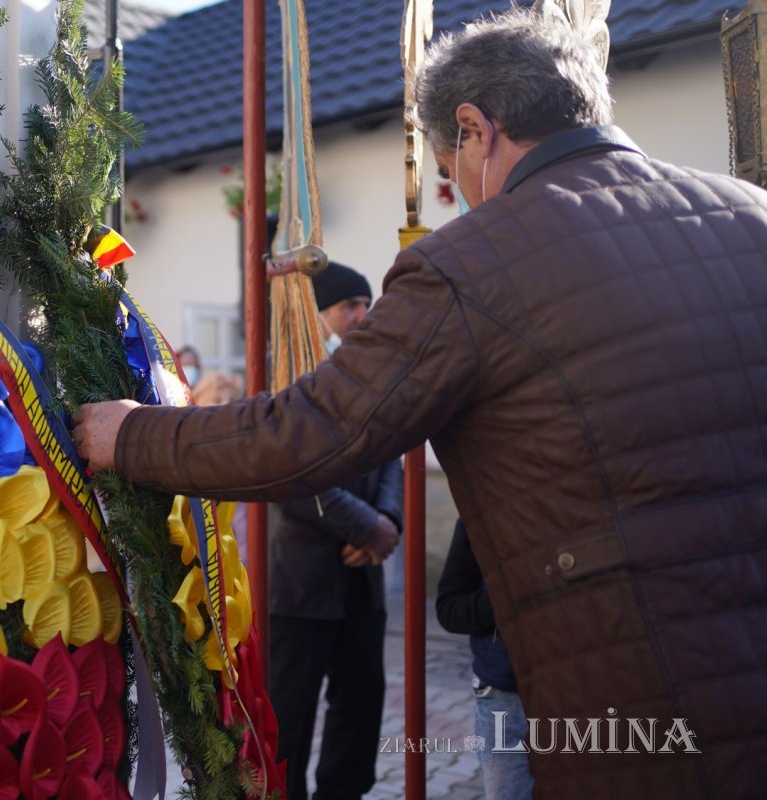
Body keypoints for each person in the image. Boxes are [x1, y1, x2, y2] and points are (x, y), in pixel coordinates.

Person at [74, 9, 767, 796]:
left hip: (637, 692)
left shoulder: (475, 261)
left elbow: (314, 432)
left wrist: (133, 436)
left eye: (447, 167)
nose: (457, 193)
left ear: (476, 129)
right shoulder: (751, 213)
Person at [272, 262, 401, 800]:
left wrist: (388, 522)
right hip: (300, 582)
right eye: (350, 305)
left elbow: (392, 451)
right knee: (288, 715)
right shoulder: (289, 374)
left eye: (367, 304)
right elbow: (288, 474)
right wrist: (367, 525)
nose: (362, 315)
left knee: (360, 706)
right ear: (319, 316)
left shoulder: (374, 374)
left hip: (361, 580)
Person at [436, 519, 531, 800]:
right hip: (507, 695)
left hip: (589, 689)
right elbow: (450, 609)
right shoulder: (484, 508)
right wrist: (509, 598)